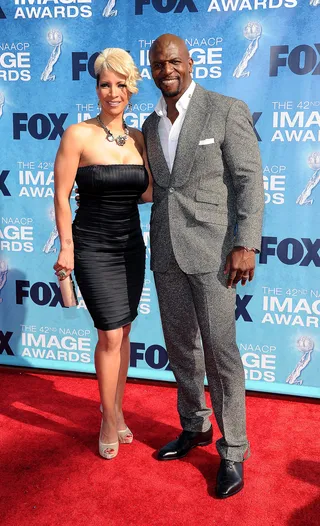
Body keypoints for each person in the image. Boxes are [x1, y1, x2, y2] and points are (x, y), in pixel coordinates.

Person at [142, 34, 264, 498]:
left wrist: (246, 243)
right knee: (180, 348)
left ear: (190, 63)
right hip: (166, 250)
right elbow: (157, 188)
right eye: (158, 64)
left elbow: (250, 180)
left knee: (220, 351)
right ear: (151, 69)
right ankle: (195, 424)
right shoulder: (151, 124)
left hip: (215, 253)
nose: (166, 69)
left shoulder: (225, 108)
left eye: (173, 61)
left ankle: (233, 450)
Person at [53, 48, 152, 460]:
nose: (113, 92)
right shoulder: (78, 134)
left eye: (121, 84)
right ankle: (108, 418)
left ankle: (115, 407)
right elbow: (60, 195)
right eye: (105, 84)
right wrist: (67, 247)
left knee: (125, 331)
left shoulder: (139, 138)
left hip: (131, 244)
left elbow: (146, 193)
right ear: (96, 89)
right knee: (109, 333)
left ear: (131, 88)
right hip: (92, 244)